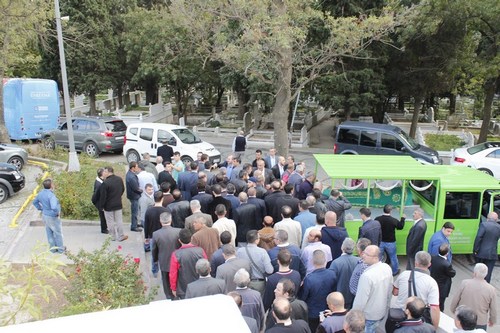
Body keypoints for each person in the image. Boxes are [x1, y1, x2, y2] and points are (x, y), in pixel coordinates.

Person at [393, 251, 440, 329]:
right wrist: (434, 328)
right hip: (417, 320)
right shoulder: (432, 282)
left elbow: (395, 292)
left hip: (399, 316)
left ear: (415, 263)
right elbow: (434, 308)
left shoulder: (404, 274)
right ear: (429, 264)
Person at [352, 245, 393, 333]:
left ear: (375, 257)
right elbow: (390, 291)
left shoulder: (367, 276)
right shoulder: (387, 268)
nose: (362, 255)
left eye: (366, 254)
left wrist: (353, 316)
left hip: (369, 316)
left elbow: (360, 301)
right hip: (381, 312)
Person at [450, 263, 497, 331]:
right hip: (480, 321)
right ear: (486, 274)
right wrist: (492, 320)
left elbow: (455, 299)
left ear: (474, 273)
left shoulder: (464, 283)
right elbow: (493, 309)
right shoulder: (491, 289)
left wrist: (454, 310)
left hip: (463, 318)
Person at [299, 250, 337, 332]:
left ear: (312, 261)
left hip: (312, 313)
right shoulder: (332, 274)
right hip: (327, 310)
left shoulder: (309, 279)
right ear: (325, 260)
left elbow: (303, 297)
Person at [169, 228, 207, 299]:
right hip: (200, 285)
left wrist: (173, 288)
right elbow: (206, 267)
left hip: (183, 288)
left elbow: (173, 274)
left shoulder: (176, 254)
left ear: (179, 240)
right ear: (191, 238)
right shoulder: (200, 251)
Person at [152, 212, 181, 299]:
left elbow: (154, 249)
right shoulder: (178, 231)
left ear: (160, 221)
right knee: (178, 280)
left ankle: (169, 297)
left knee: (166, 282)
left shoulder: (156, 234)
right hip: (177, 261)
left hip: (164, 261)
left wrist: (155, 259)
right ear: (171, 220)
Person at [33, 179, 65, 253]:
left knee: (49, 232)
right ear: (51, 186)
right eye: (53, 184)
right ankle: (60, 249)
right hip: (52, 217)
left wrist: (40, 208)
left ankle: (53, 249)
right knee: (58, 233)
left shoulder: (41, 193)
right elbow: (54, 207)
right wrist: (57, 212)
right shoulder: (51, 195)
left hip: (45, 215)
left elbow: (34, 202)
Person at [237, 230, 274, 295]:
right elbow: (269, 270)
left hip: (244, 281)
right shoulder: (262, 252)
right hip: (259, 283)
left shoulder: (239, 251)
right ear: (256, 240)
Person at [99, 166, 128, 242]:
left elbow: (103, 196)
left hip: (108, 205)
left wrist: (101, 206)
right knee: (119, 220)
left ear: (108, 172)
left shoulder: (105, 183)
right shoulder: (119, 179)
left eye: (105, 172)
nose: (103, 173)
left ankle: (112, 236)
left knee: (110, 221)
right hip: (118, 203)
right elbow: (122, 189)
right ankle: (121, 235)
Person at [328, 238, 359, 309]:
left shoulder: (336, 263)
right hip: (354, 297)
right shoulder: (359, 261)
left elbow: (331, 281)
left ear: (342, 247)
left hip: (340, 297)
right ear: (353, 249)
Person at [375, 204, 405, 276]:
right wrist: (403, 219)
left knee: (378, 257)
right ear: (390, 211)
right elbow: (400, 227)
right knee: (393, 257)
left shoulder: (377, 219)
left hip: (380, 241)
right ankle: (395, 271)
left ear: (383, 210)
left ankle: (377, 272)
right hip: (391, 242)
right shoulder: (393, 220)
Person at [473, 211, 500, 283]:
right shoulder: (498, 227)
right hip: (492, 254)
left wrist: (475, 250)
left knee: (478, 271)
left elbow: (478, 237)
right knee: (488, 273)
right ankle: (485, 286)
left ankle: (476, 285)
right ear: (496, 219)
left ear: (488, 218)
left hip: (481, 253)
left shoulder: (484, 225)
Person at [430, 243, 456, 311]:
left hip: (433, 282)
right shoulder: (446, 264)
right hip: (442, 287)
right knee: (441, 304)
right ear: (447, 253)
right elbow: (452, 274)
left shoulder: (433, 258)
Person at [125, 161, 143, 232]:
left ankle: (135, 223)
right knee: (135, 211)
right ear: (133, 168)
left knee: (135, 210)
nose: (137, 168)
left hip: (132, 195)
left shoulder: (130, 174)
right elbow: (135, 188)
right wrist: (141, 191)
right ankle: (134, 226)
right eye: (136, 167)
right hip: (134, 196)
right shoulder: (131, 177)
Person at [91, 167, 108, 234]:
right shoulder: (99, 184)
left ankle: (105, 227)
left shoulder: (101, 181)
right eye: (105, 172)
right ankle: (104, 229)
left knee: (103, 215)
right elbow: (97, 195)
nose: (106, 173)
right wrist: (100, 205)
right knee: (102, 215)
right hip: (99, 202)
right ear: (102, 174)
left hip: (100, 202)